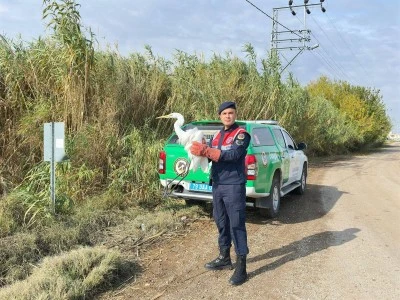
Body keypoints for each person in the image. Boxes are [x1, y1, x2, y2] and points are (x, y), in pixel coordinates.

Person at [190, 101, 251, 286]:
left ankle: (242, 267)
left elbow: (233, 156)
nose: (228, 116)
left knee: (236, 224)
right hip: (217, 184)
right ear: (220, 116)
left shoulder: (242, 134)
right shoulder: (216, 135)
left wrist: (207, 151)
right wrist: (197, 153)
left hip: (233, 185)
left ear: (235, 114)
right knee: (221, 221)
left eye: (231, 113)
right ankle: (224, 257)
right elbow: (208, 155)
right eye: (224, 113)